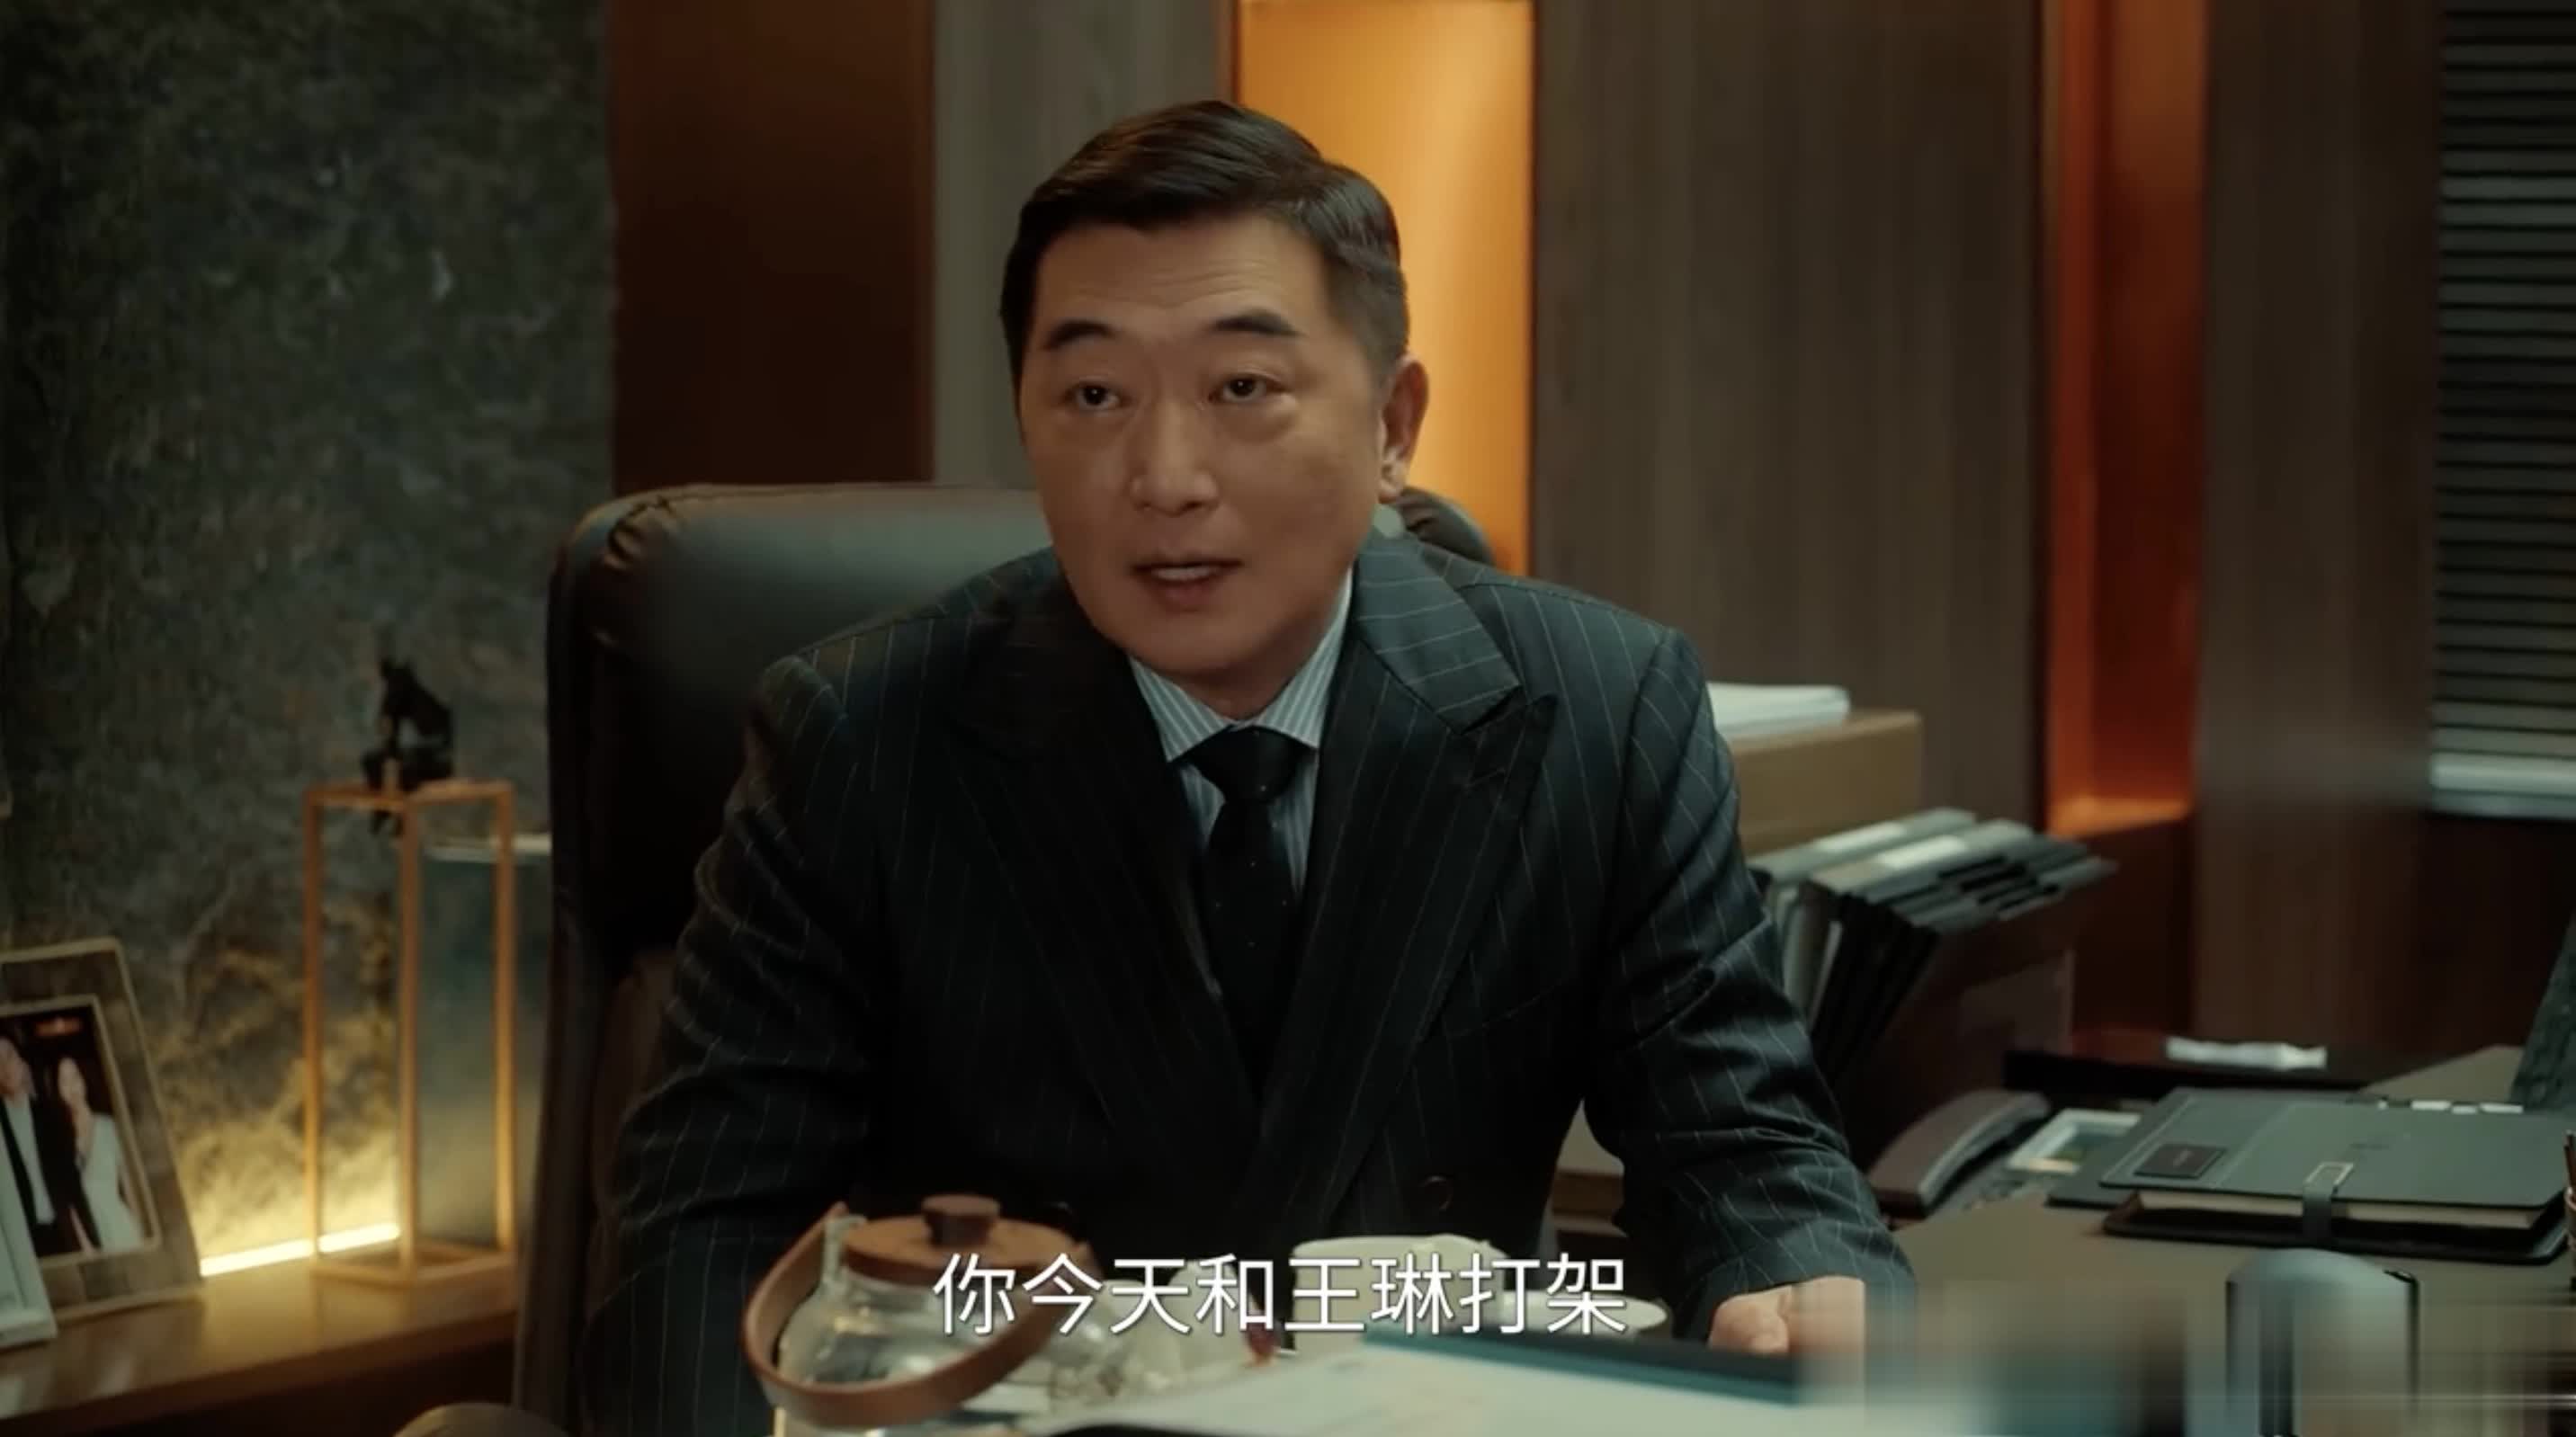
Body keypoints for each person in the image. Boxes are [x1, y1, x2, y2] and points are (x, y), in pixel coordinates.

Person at [585, 100, 1909, 1437]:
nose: (1165, 477)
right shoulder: (863, 739)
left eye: (1242, 390)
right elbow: (701, 1239)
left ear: (1392, 424)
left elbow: (1742, 1144)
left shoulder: (1600, 712)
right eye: (1094, 396)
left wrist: (1800, 1281)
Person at [0, 1034, 93, 1258]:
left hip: (62, 1232)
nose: (4, 1067)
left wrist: (87, 1239)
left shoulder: (50, 1116)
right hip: (21, 1243)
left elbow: (71, 1183)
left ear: (21, 1062)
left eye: (9, 1057)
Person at [55, 1056, 142, 1252]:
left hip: (121, 1227)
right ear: (58, 1090)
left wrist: (139, 1228)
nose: (72, 1087)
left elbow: (127, 1183)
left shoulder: (108, 1126)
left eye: (75, 1077)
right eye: (64, 1081)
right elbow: (68, 1202)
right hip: (93, 1237)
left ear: (84, 1079)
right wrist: (85, 1244)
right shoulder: (61, 1141)